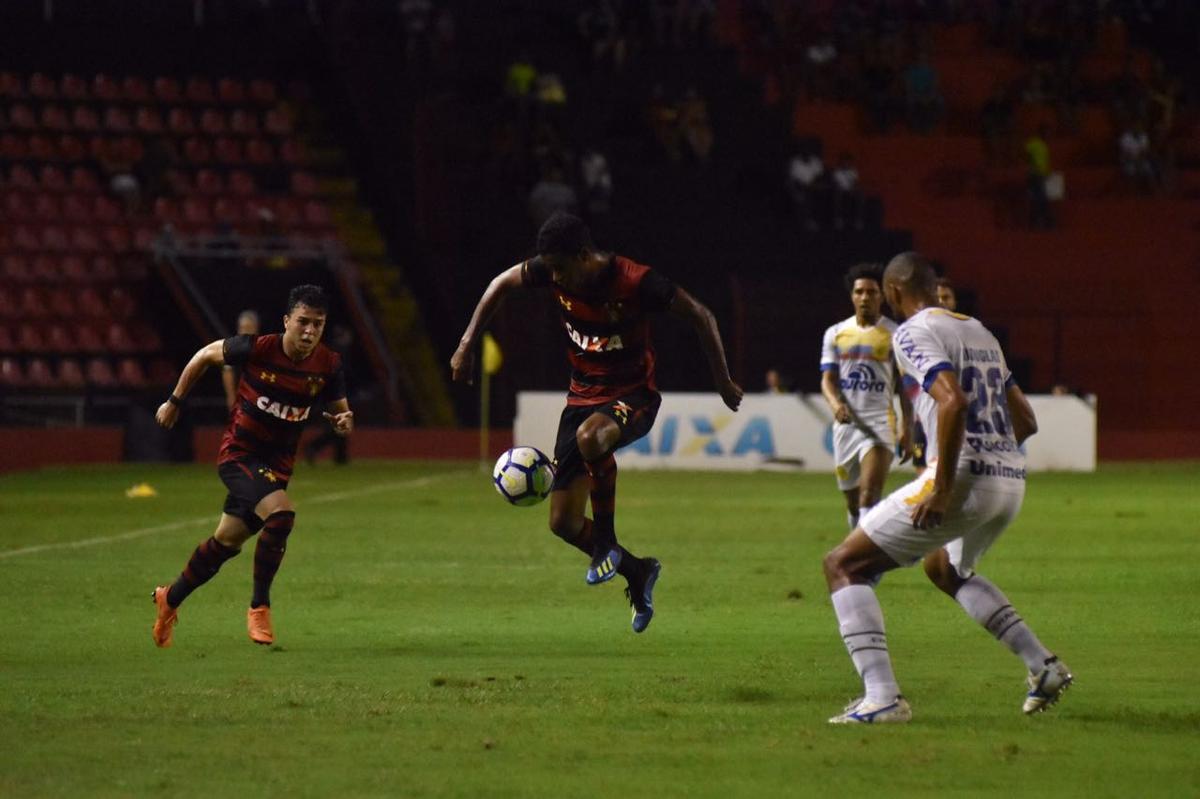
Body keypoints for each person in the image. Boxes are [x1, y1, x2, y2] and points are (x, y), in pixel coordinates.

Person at [451, 212, 743, 632]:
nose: (554, 277)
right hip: (581, 398)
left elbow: (702, 315)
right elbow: (500, 284)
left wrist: (723, 381)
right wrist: (466, 345)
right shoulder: (552, 270)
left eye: (560, 268)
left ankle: (606, 540)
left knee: (592, 438)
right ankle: (638, 571)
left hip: (634, 395)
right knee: (563, 523)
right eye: (550, 269)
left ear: (584, 255)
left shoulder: (635, 281)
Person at [822, 252, 1071, 724]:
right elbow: (1026, 418)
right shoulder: (980, 332)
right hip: (1008, 479)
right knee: (945, 568)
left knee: (843, 565)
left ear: (893, 291)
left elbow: (952, 401)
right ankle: (1043, 666)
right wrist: (993, 457)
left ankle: (882, 697)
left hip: (959, 478)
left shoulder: (912, 332)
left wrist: (942, 487)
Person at [150, 285, 354, 648]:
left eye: (318, 324)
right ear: (287, 321)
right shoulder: (258, 348)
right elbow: (204, 355)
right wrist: (174, 401)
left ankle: (170, 598)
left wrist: (343, 423)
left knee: (225, 543)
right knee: (282, 515)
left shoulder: (328, 364)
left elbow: (343, 415)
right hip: (239, 456)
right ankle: (259, 606)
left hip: (277, 468)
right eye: (303, 322)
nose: (310, 331)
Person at [820, 263, 913, 531]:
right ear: (852, 296)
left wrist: (908, 427)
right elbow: (828, 380)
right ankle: (859, 541)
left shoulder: (896, 334)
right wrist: (835, 404)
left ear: (881, 296)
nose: (865, 297)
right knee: (852, 503)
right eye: (859, 292)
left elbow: (905, 387)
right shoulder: (836, 333)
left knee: (869, 496)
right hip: (847, 427)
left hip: (880, 423)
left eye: (871, 292)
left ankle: (864, 554)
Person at [912, 277, 958, 475]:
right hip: (922, 420)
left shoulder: (964, 336)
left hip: (953, 419)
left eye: (946, 297)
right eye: (937, 297)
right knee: (924, 481)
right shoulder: (915, 336)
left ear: (954, 302)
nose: (941, 302)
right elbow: (908, 383)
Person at [222, 309, 260, 410]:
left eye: (249, 328)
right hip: (240, 401)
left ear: (256, 329)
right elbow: (227, 371)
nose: (245, 332)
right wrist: (231, 398)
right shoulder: (232, 349)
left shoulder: (263, 348)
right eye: (243, 328)